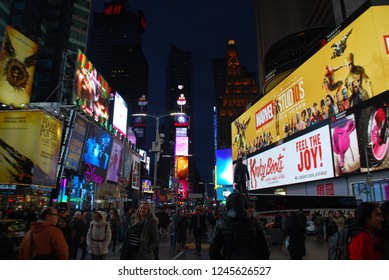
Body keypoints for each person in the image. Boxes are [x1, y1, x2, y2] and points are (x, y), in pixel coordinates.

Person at [209, 192, 270, 260]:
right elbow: (265, 250)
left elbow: (213, 252)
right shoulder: (256, 222)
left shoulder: (221, 224)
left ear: (228, 205)